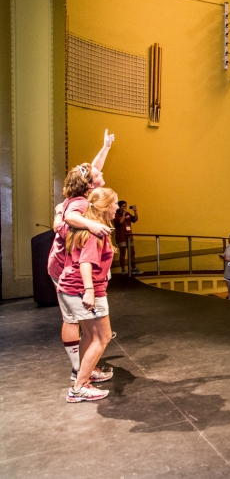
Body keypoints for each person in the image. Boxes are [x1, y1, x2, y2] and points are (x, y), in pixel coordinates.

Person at [49, 131, 115, 382]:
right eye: (97, 175)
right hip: (66, 267)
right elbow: (65, 219)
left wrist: (105, 147)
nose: (100, 173)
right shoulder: (79, 204)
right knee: (80, 322)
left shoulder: (81, 194)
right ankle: (79, 373)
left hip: (68, 265)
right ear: (89, 185)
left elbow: (93, 169)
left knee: (90, 328)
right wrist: (91, 226)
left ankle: (83, 371)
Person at [58, 187, 119, 402]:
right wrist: (90, 292)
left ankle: (83, 374)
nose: (117, 208)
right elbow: (85, 262)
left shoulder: (89, 229)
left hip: (72, 288)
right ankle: (78, 387)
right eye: (115, 203)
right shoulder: (95, 233)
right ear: (104, 207)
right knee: (102, 337)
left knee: (91, 336)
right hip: (82, 289)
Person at [114, 201, 141, 275]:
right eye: (123, 206)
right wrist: (123, 214)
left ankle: (134, 268)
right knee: (123, 253)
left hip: (129, 236)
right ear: (119, 207)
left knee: (132, 253)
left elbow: (135, 219)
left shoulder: (128, 214)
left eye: (126, 206)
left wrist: (135, 211)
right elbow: (120, 222)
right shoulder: (116, 214)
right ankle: (123, 269)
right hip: (121, 237)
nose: (125, 208)